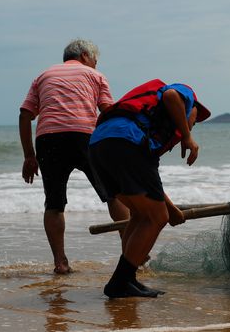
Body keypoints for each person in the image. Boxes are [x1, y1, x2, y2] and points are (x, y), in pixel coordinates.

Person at [89, 79, 211, 298]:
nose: (194, 123)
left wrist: (171, 207)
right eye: (196, 119)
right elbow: (171, 95)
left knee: (140, 214)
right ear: (191, 109)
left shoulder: (152, 127)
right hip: (125, 140)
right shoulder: (186, 96)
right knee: (156, 218)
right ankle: (119, 282)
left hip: (100, 145)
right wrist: (187, 135)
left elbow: (149, 180)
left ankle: (128, 279)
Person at [18, 38, 129, 274]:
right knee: (114, 194)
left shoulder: (43, 76)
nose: (96, 65)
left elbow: (25, 114)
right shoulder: (95, 76)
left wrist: (29, 156)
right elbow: (109, 111)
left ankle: (60, 262)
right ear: (85, 56)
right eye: (95, 61)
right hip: (84, 136)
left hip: (48, 139)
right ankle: (131, 253)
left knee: (54, 203)